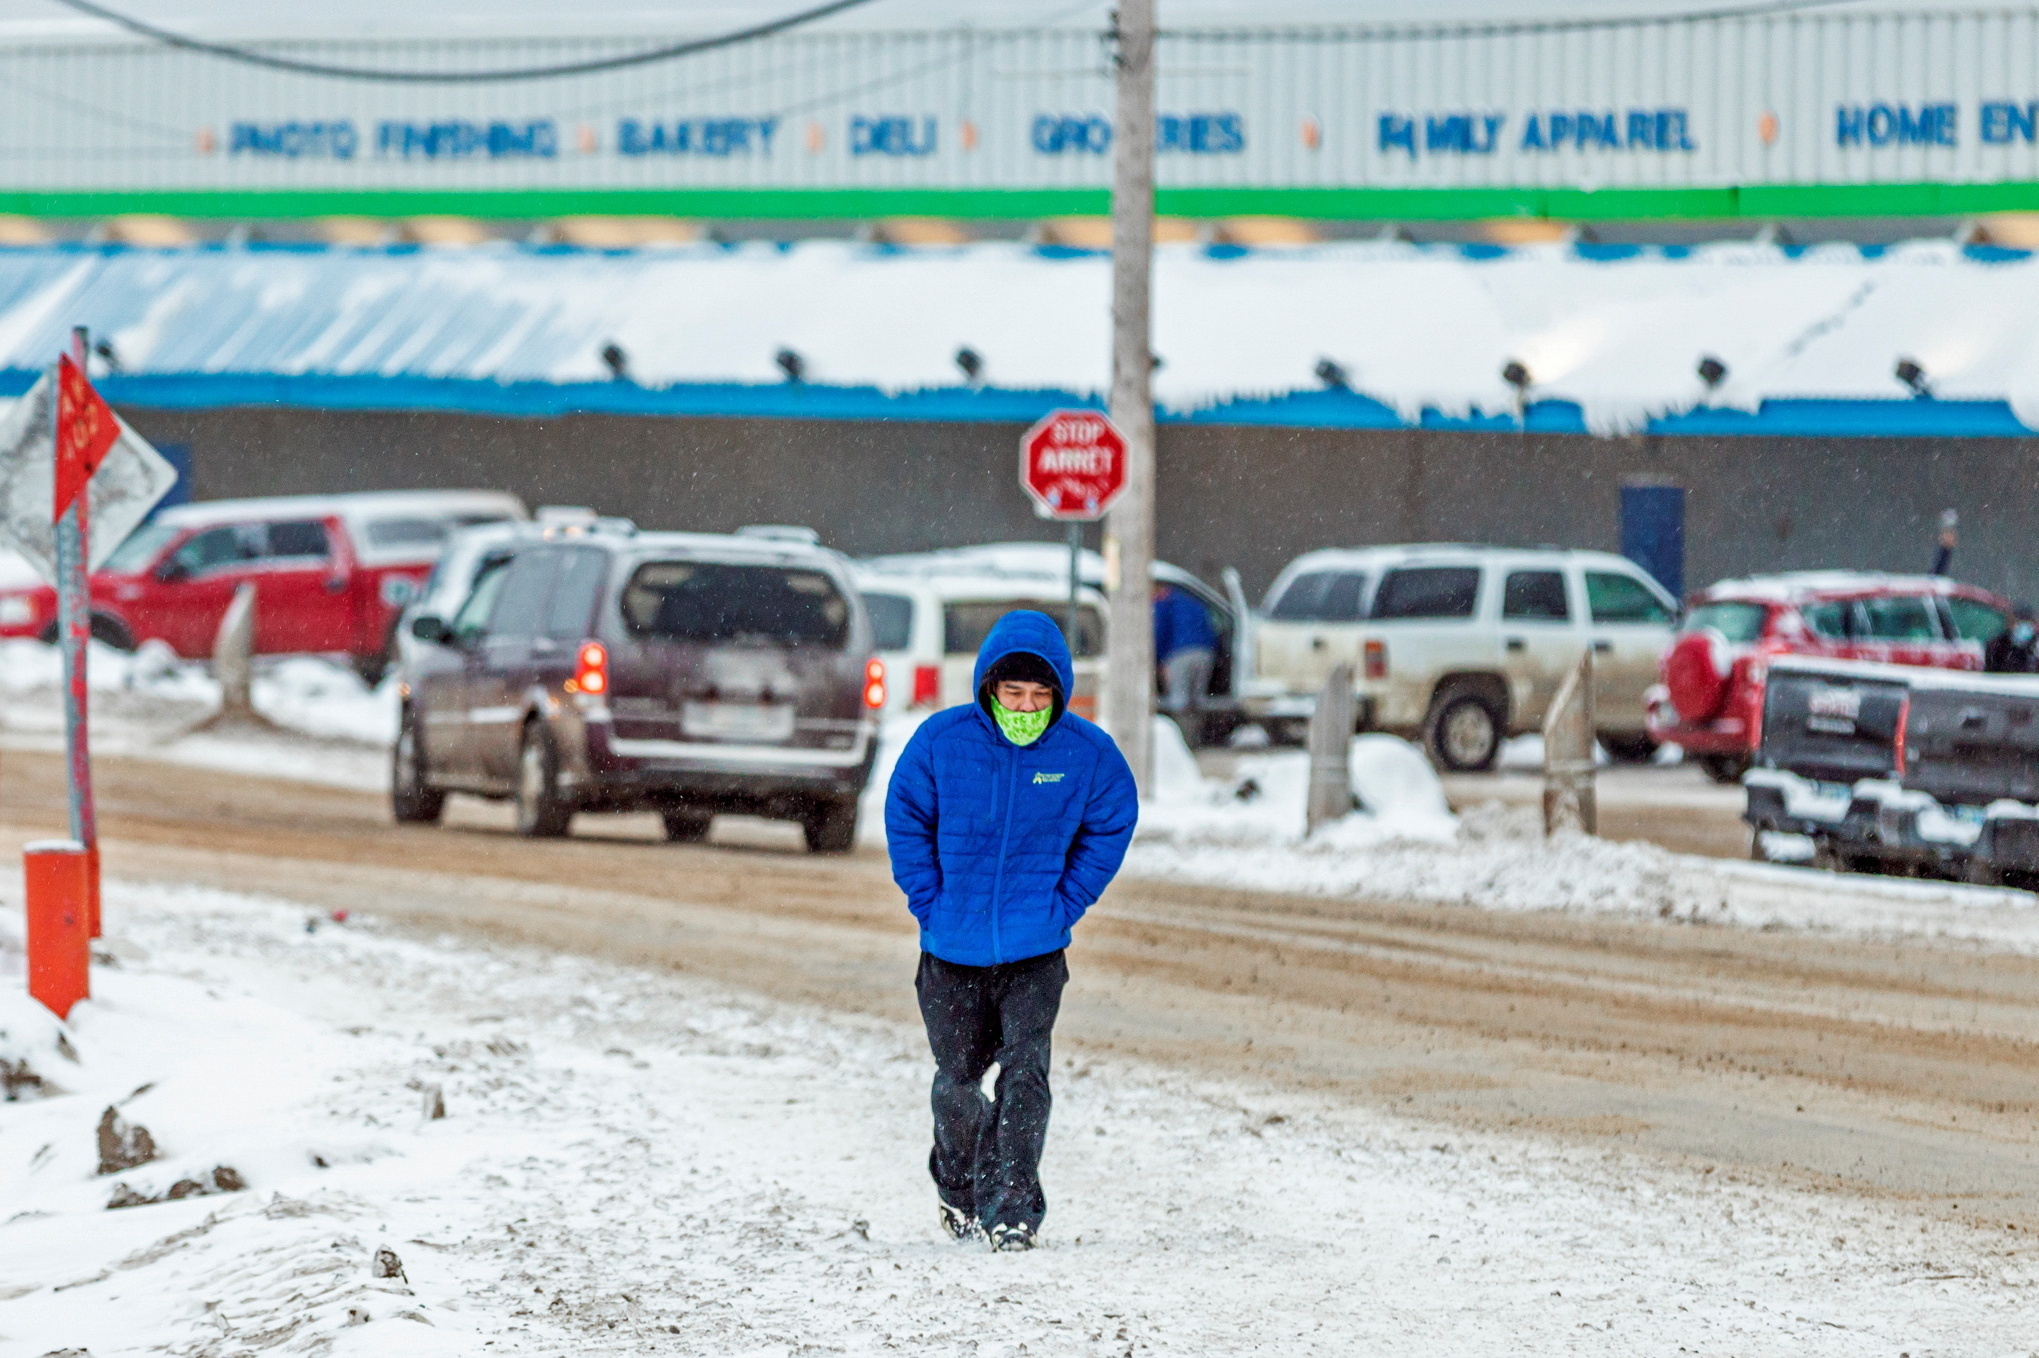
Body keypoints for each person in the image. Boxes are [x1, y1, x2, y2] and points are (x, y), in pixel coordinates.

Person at [884, 609, 1138, 1251]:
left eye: (1039, 693)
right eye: (1013, 692)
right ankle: (958, 1185)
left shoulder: (1086, 754)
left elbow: (1112, 823)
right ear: (989, 690)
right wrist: (929, 902)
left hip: (1035, 951)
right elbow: (905, 817)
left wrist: (1068, 900)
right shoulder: (942, 743)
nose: (1026, 705)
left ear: (1058, 694)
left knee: (1027, 1075)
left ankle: (1014, 1209)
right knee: (959, 1086)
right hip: (950, 950)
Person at [1152, 583, 1218, 743]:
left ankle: (1182, 741)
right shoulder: (1193, 602)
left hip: (1179, 653)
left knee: (1179, 699)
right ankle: (1197, 737)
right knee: (1197, 699)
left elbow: (1160, 633)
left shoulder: (1163, 605)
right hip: (1204, 653)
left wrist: (1159, 660)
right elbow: (1212, 629)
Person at [1986, 603, 2039, 674]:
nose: (2023, 625)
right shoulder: (1997, 645)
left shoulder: (2036, 645)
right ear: (2010, 622)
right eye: (2019, 621)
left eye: (2027, 621)